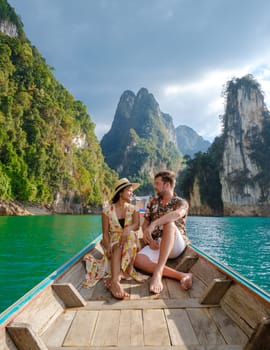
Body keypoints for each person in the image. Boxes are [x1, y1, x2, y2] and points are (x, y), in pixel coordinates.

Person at [83, 178, 148, 299]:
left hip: (130, 239)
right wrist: (107, 248)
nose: (132, 193)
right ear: (120, 193)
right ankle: (116, 280)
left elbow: (137, 225)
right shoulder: (107, 211)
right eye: (129, 191)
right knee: (117, 246)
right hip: (114, 240)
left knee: (127, 241)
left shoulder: (134, 209)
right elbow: (105, 233)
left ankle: (114, 280)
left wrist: (127, 230)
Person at [134, 170, 192, 294]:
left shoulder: (181, 202)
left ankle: (158, 273)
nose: (155, 187)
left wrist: (154, 224)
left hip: (176, 244)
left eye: (157, 184)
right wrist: (149, 239)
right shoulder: (152, 203)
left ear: (167, 185)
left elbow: (177, 214)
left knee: (169, 224)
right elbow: (145, 225)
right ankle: (181, 275)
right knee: (137, 260)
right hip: (158, 244)